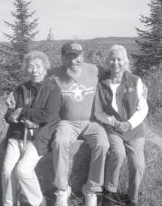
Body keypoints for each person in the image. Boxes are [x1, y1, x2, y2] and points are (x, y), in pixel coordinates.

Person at [49, 41, 110, 206]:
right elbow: (35, 81)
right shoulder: (54, 74)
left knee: (103, 144)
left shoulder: (94, 70)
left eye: (77, 56)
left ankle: (91, 189)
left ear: (82, 56)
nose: (74, 60)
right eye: (69, 56)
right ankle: (62, 190)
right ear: (62, 58)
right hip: (67, 122)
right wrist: (15, 92)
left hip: (91, 122)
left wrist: (140, 86)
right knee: (60, 142)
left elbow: (118, 73)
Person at [2, 51, 61, 206]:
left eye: (38, 66)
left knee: (23, 170)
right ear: (26, 69)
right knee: (7, 172)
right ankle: (9, 203)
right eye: (30, 67)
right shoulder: (21, 88)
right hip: (16, 136)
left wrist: (22, 111)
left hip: (39, 138)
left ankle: (39, 202)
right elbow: (8, 114)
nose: (34, 70)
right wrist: (12, 116)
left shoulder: (53, 89)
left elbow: (48, 115)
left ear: (45, 68)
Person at [94, 45, 149, 206]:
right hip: (113, 129)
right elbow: (98, 112)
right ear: (107, 61)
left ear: (125, 61)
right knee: (118, 154)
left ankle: (132, 198)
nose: (115, 63)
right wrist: (115, 123)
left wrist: (129, 124)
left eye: (119, 59)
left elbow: (143, 107)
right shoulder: (102, 84)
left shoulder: (135, 80)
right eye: (112, 59)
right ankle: (110, 193)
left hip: (134, 130)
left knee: (138, 164)